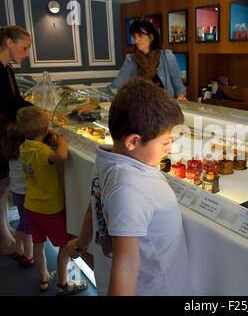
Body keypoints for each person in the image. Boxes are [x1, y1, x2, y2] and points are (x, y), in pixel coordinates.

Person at [67, 78, 194, 296]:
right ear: (133, 141)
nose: (170, 148)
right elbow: (126, 265)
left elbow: (93, 207)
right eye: (165, 142)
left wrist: (81, 243)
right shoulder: (128, 188)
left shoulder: (108, 159)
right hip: (155, 289)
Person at [16, 106, 88, 295]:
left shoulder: (25, 147)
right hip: (49, 209)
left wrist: (48, 132)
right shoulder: (42, 153)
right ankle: (64, 284)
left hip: (31, 206)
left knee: (38, 245)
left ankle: (44, 278)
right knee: (64, 247)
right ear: (45, 128)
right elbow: (62, 156)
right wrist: (62, 141)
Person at [74, 20, 187, 116]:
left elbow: (179, 86)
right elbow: (115, 87)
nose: (136, 40)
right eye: (134, 37)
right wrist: (96, 102)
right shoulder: (131, 60)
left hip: (165, 111)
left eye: (140, 36)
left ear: (151, 37)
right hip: (141, 112)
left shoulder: (167, 56)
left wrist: (181, 96)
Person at [0, 25, 32, 255]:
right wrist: (37, 110)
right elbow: (7, 103)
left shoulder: (7, 69)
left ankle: (5, 231)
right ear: (9, 42)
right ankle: (4, 238)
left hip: (5, 136)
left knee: (3, 186)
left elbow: (15, 98)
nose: (27, 53)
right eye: (25, 48)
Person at [5, 122, 34, 267]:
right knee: (28, 226)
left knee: (23, 222)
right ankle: (29, 255)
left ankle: (18, 249)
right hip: (26, 194)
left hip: (16, 192)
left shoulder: (11, 153)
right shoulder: (25, 154)